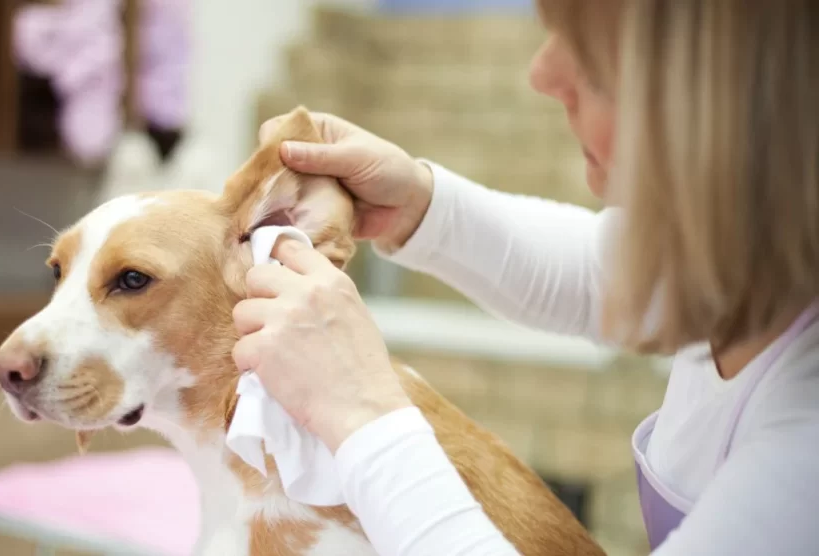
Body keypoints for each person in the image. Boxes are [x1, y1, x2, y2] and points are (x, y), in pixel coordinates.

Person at [230, 1, 819, 555]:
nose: (542, 74)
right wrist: (415, 202)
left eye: (593, 65)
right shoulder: (749, 258)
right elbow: (595, 272)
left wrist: (361, 413)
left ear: (728, 113)